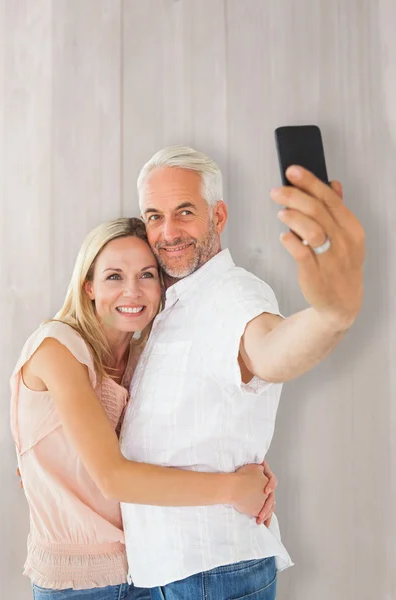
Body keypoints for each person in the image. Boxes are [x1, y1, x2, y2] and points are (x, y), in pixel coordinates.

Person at [119, 146, 365, 599]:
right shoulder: (163, 304)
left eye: (185, 212)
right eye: (154, 216)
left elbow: (270, 350)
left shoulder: (234, 295)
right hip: (165, 569)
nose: (167, 232)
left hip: (213, 571)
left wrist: (333, 315)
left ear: (219, 215)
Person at [10, 217, 277, 600]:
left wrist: (257, 476)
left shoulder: (142, 359)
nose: (132, 292)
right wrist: (235, 488)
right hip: (78, 585)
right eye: (114, 277)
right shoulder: (57, 348)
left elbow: (186, 438)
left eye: (147, 275)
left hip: (148, 568)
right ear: (88, 285)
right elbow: (113, 479)